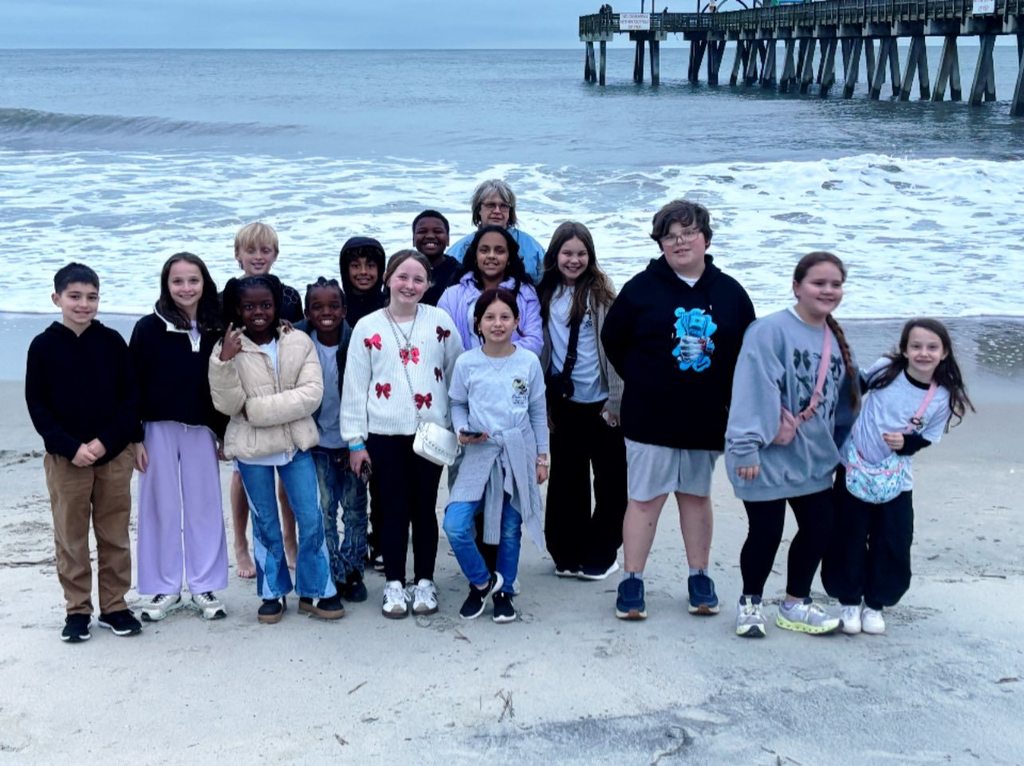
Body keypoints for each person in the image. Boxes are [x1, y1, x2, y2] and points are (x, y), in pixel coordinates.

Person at [601, 200, 755, 621]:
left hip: (706, 417)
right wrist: (646, 378)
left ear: (706, 237)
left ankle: (699, 576)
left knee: (696, 497)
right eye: (670, 235)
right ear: (660, 243)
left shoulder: (730, 293)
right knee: (645, 500)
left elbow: (745, 351)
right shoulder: (641, 289)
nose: (680, 241)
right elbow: (613, 338)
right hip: (650, 416)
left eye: (689, 232)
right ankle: (632, 580)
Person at [725, 251, 858, 638]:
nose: (828, 290)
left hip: (814, 458)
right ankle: (750, 604)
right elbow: (751, 386)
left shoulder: (834, 336)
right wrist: (746, 446)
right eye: (819, 283)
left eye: (835, 284)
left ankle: (795, 603)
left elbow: (845, 401)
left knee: (819, 528)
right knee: (766, 532)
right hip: (765, 454)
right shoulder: (769, 330)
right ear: (796, 287)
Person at [822, 318, 973, 635]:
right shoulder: (885, 370)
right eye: (915, 346)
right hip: (854, 466)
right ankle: (849, 602)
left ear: (944, 353)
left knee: (892, 539)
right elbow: (851, 392)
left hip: (896, 478)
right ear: (904, 349)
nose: (923, 353)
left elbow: (930, 436)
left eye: (932, 347)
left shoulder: (943, 396)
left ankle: (875, 605)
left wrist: (907, 443)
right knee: (847, 535)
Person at [209, 275, 344, 624]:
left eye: (265, 305)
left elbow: (311, 393)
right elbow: (227, 403)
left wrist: (255, 410)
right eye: (250, 306)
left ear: (277, 306)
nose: (258, 312)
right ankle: (272, 592)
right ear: (238, 308)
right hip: (252, 452)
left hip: (295, 446)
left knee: (311, 518)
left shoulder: (298, 341)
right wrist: (224, 361)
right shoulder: (228, 348)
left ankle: (317, 589)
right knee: (265, 522)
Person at [341, 250, 462, 619]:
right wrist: (355, 441)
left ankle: (424, 580)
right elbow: (355, 387)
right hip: (383, 434)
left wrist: (456, 423)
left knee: (424, 509)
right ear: (388, 279)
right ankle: (394, 582)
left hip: (430, 433)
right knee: (390, 509)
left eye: (418, 279)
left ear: (428, 285)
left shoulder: (440, 320)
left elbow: (457, 372)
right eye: (403, 277)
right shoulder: (368, 326)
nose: (410, 285)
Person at [26, 263, 143, 642]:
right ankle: (77, 610)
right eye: (74, 297)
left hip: (112, 455)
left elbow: (130, 400)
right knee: (71, 537)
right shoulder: (42, 347)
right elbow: (38, 407)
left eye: (91, 297)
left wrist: (105, 443)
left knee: (114, 534)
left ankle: (114, 605)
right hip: (66, 460)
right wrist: (71, 447)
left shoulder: (112, 342)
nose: (83, 304)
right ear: (56, 298)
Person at [130, 253, 229, 623]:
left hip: (202, 429)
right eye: (178, 281)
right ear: (166, 285)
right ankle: (163, 587)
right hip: (156, 429)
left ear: (204, 283)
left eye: (193, 280)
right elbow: (132, 385)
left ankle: (204, 584)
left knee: (205, 507)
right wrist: (135, 436)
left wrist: (222, 432)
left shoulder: (217, 327)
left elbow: (223, 384)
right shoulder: (147, 328)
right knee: (159, 508)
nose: (186, 288)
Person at [444, 289, 549, 623]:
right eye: (489, 317)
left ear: (517, 321)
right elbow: (457, 403)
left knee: (509, 527)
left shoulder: (528, 362)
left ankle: (505, 593)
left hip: (517, 451)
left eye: (505, 316)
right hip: (478, 452)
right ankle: (482, 582)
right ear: (478, 323)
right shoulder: (467, 361)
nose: (498, 323)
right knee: (456, 523)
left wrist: (542, 457)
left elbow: (536, 413)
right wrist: (462, 430)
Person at [537, 222, 626, 581]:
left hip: (602, 402)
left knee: (610, 481)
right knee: (566, 480)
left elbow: (618, 350)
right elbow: (540, 350)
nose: (574, 260)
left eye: (580, 253)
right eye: (567, 253)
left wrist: (617, 402)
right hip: (563, 403)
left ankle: (601, 552)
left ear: (590, 256)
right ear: (554, 255)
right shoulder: (543, 294)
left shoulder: (602, 294)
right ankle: (565, 553)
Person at [228, 222, 302, 579]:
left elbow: (293, 341)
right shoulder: (227, 294)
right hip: (243, 398)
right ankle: (241, 545)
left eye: (266, 250)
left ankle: (290, 539)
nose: (258, 257)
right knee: (243, 474)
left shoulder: (287, 294)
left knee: (286, 476)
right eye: (251, 250)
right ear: (237, 254)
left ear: (275, 254)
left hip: (280, 393)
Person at [298, 277, 370, 603]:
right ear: (306, 312)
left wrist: (358, 441)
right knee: (323, 511)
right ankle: (333, 570)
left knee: (355, 511)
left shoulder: (357, 341)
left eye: (333, 306)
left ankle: (353, 570)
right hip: (317, 445)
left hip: (353, 444)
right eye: (317, 307)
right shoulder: (299, 343)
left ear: (344, 309)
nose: (326, 312)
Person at [438, 225, 543, 357]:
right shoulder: (451, 296)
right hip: (467, 374)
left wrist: (493, 360)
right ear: (475, 256)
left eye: (499, 251)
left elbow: (534, 343)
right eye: (484, 250)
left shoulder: (525, 293)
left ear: (509, 258)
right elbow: (446, 344)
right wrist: (478, 364)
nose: (492, 256)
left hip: (513, 373)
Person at [447, 180, 546, 284]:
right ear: (478, 209)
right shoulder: (459, 249)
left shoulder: (532, 248)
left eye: (503, 206)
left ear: (510, 211)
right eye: (491, 205)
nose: (497, 211)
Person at [412, 210, 460, 306]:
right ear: (413, 239)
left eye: (438, 231)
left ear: (448, 239)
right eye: (422, 231)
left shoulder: (459, 273)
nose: (430, 236)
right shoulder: (402, 270)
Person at [339, 236, 387, 327]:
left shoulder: (390, 305)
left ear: (379, 269)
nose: (363, 271)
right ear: (346, 270)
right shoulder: (338, 308)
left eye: (370, 265)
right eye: (355, 266)